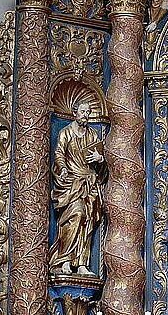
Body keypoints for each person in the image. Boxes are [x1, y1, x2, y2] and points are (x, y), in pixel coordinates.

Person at [49, 101, 107, 275]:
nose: (86, 115)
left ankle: (82, 263)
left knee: (87, 221)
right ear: (75, 113)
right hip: (72, 183)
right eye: (83, 111)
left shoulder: (92, 135)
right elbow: (59, 153)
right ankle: (64, 259)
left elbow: (100, 160)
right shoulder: (65, 132)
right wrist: (64, 168)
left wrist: (100, 159)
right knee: (76, 213)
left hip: (89, 183)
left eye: (88, 112)